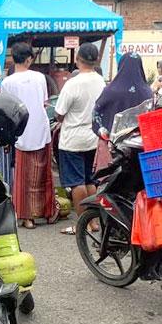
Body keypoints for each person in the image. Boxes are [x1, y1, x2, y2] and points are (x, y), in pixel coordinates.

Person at [1, 42, 57, 229]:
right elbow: (44, 103)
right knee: (43, 175)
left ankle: (27, 217)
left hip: (21, 133)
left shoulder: (7, 82)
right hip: (41, 129)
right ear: (29, 59)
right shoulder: (40, 77)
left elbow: (6, 111)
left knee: (23, 178)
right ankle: (48, 213)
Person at [55, 43, 106, 235]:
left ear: (78, 59)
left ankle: (81, 224)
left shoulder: (73, 83)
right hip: (93, 137)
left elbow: (59, 113)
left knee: (77, 183)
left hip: (73, 139)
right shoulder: (100, 81)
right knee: (90, 180)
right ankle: (94, 222)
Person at [92, 52, 152, 171]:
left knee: (107, 179)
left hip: (112, 147)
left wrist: (104, 132)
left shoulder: (111, 90)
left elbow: (97, 113)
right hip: (140, 147)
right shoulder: (147, 92)